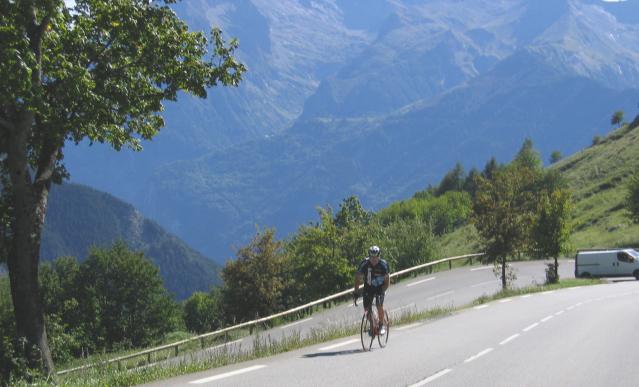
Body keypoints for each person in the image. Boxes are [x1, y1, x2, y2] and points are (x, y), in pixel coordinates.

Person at [353, 245, 390, 335]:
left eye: (375, 257)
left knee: (378, 304)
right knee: (366, 309)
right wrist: (356, 292)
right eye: (371, 257)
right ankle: (373, 323)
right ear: (369, 256)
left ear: (379, 256)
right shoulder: (364, 263)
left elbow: (387, 280)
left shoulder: (383, 264)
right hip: (368, 287)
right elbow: (357, 277)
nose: (373, 259)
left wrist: (383, 291)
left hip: (380, 287)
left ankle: (381, 325)